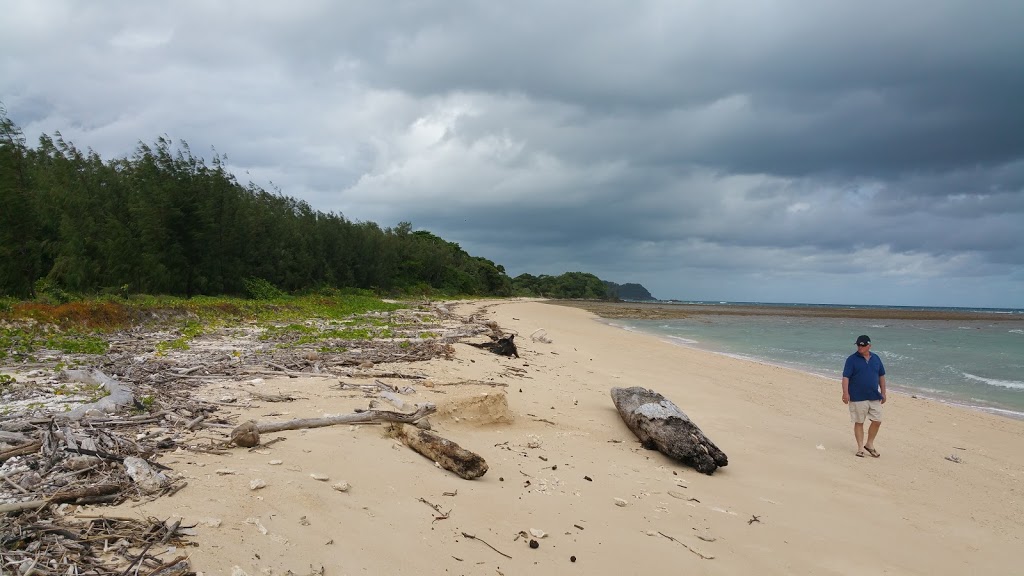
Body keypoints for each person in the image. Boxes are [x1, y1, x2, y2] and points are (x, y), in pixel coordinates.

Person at [841, 335, 887, 458]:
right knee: (859, 422)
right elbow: (846, 377)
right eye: (858, 345)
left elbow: (881, 376)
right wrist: (845, 393)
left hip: (874, 395)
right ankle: (860, 448)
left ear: (869, 346)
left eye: (862, 345)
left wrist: (883, 392)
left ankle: (869, 444)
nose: (860, 347)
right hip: (857, 396)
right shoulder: (851, 359)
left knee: (877, 420)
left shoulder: (876, 358)